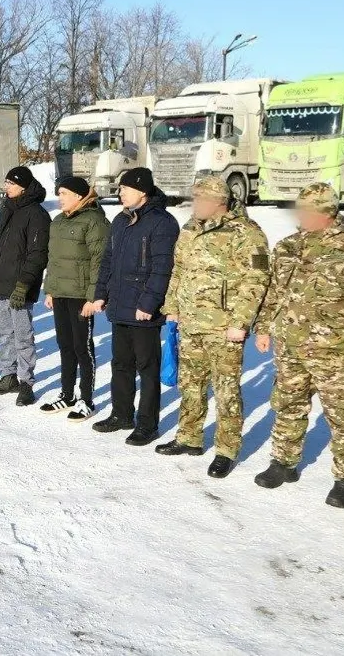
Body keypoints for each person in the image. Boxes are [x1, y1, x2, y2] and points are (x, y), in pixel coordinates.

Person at [253, 182, 344, 509]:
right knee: (286, 404)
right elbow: (273, 292)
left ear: (327, 212)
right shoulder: (287, 246)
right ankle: (283, 462)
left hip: (336, 350)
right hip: (290, 346)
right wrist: (264, 327)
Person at [156, 176, 270, 478]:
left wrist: (241, 323)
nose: (195, 205)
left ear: (218, 202)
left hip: (224, 327)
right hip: (191, 322)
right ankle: (189, 437)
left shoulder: (247, 233)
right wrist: (173, 308)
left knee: (226, 390)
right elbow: (178, 270)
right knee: (190, 384)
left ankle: (226, 449)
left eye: (200, 199)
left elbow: (257, 279)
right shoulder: (191, 228)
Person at [90, 167, 179, 443]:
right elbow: (108, 262)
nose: (120, 193)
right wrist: (100, 293)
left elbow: (163, 268)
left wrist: (149, 302)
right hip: (119, 305)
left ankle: (147, 424)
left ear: (141, 191)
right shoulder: (120, 221)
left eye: (124, 189)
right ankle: (121, 414)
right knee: (121, 364)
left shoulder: (162, 223)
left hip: (142, 309)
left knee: (147, 367)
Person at [39, 175, 109, 421]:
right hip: (61, 294)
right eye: (59, 194)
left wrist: (94, 297)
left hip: (82, 297)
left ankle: (86, 399)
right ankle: (66, 395)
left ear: (79, 196)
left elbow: (99, 262)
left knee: (82, 348)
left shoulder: (94, 222)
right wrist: (50, 289)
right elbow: (53, 260)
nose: (60, 199)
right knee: (65, 346)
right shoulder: (57, 222)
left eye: (64, 194)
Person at [0, 166, 51, 407]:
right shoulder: (6, 210)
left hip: (20, 287)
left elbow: (37, 255)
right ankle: (8, 375)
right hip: (1, 283)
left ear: (22, 186)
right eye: (5, 182)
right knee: (3, 333)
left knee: (23, 336)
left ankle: (26, 382)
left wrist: (24, 284)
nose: (6, 187)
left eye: (10, 183)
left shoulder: (37, 214)